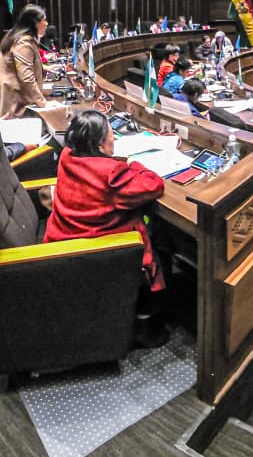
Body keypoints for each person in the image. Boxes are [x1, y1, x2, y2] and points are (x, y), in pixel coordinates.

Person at [43, 110, 168, 343]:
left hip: (64, 240)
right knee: (159, 241)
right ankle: (145, 326)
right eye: (112, 134)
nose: (114, 139)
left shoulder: (68, 156)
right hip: (103, 252)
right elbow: (154, 185)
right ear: (100, 144)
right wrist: (134, 163)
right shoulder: (111, 173)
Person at [0, 4, 50, 118]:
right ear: (34, 23)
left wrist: (44, 68)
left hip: (11, 92)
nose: (46, 24)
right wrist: (43, 102)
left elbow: (17, 65)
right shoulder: (23, 42)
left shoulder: (17, 36)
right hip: (12, 97)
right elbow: (26, 77)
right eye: (44, 20)